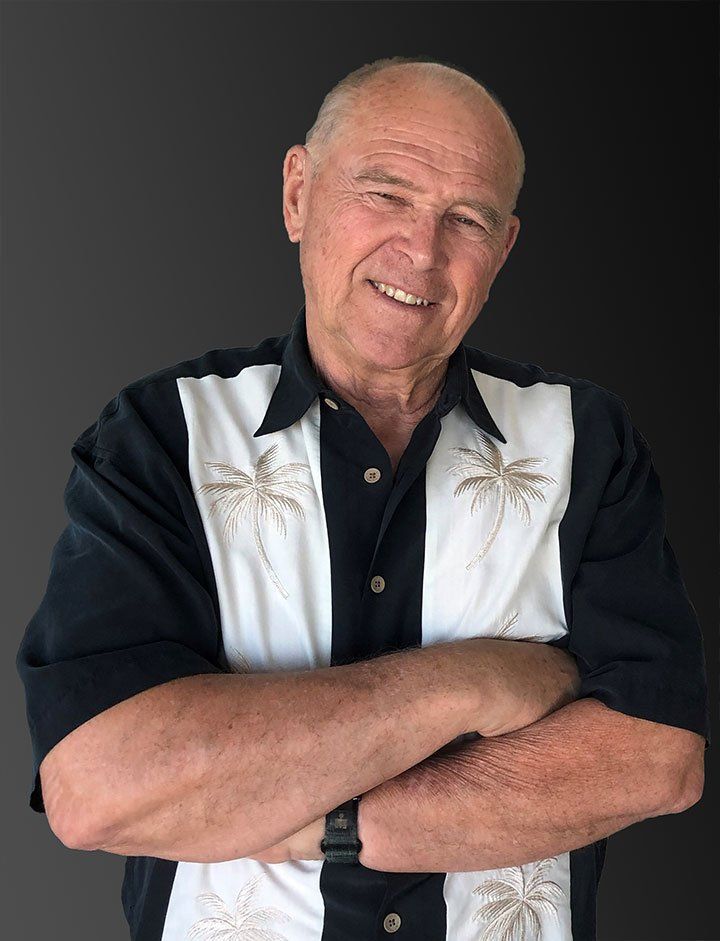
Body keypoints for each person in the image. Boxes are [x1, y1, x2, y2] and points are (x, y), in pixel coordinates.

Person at [16, 55, 710, 941]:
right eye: (384, 194)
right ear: (298, 193)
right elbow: (98, 787)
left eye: (466, 217)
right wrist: (476, 682)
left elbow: (653, 761)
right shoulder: (159, 436)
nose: (421, 251)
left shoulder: (589, 439)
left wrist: (322, 825)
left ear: (502, 252)